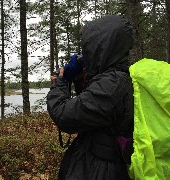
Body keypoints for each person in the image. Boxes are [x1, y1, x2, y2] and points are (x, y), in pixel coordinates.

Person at [47, 15, 135, 180]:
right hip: (97, 162)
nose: (84, 52)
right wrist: (80, 77)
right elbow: (91, 111)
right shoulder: (113, 79)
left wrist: (59, 82)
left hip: (100, 170)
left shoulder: (112, 85)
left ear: (101, 46)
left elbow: (64, 115)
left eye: (87, 46)